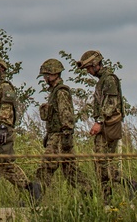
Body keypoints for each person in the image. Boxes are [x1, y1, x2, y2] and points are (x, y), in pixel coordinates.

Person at [0, 55, 41, 209]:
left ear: (2, 68)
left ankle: (29, 187)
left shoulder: (5, 86)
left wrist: (3, 128)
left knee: (3, 164)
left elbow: (6, 107)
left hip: (2, 130)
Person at [76, 50, 137, 202]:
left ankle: (129, 184)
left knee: (103, 163)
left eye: (89, 67)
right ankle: (107, 199)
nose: (89, 71)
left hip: (108, 126)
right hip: (105, 126)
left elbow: (111, 103)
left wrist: (99, 122)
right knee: (100, 164)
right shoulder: (102, 80)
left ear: (96, 64)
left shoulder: (109, 79)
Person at [34, 59, 91, 194]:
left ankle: (34, 198)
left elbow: (66, 113)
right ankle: (88, 193)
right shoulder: (55, 91)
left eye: (47, 75)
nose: (45, 78)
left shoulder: (61, 91)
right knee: (70, 170)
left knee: (46, 167)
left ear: (54, 74)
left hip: (60, 136)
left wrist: (66, 133)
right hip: (56, 134)